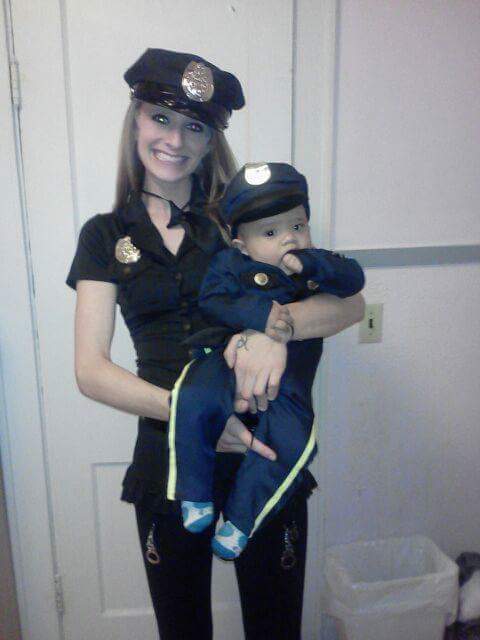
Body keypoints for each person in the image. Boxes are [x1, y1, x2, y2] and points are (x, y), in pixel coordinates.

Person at [67, 48, 365, 640]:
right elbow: (90, 370)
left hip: (263, 448)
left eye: (194, 126)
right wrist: (194, 414)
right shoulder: (104, 235)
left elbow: (349, 306)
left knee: (276, 628)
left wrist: (276, 329)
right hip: (168, 460)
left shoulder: (244, 220)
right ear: (136, 120)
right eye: (160, 118)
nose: (174, 139)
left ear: (211, 140)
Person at [168, 162, 365, 559]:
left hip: (289, 382)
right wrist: (261, 318)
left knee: (293, 441)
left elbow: (353, 282)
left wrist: (315, 265)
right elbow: (213, 300)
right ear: (242, 245)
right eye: (270, 233)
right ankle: (194, 492)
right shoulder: (230, 265)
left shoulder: (315, 266)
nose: (289, 238)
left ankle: (240, 521)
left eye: (298, 225)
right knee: (193, 396)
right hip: (225, 362)